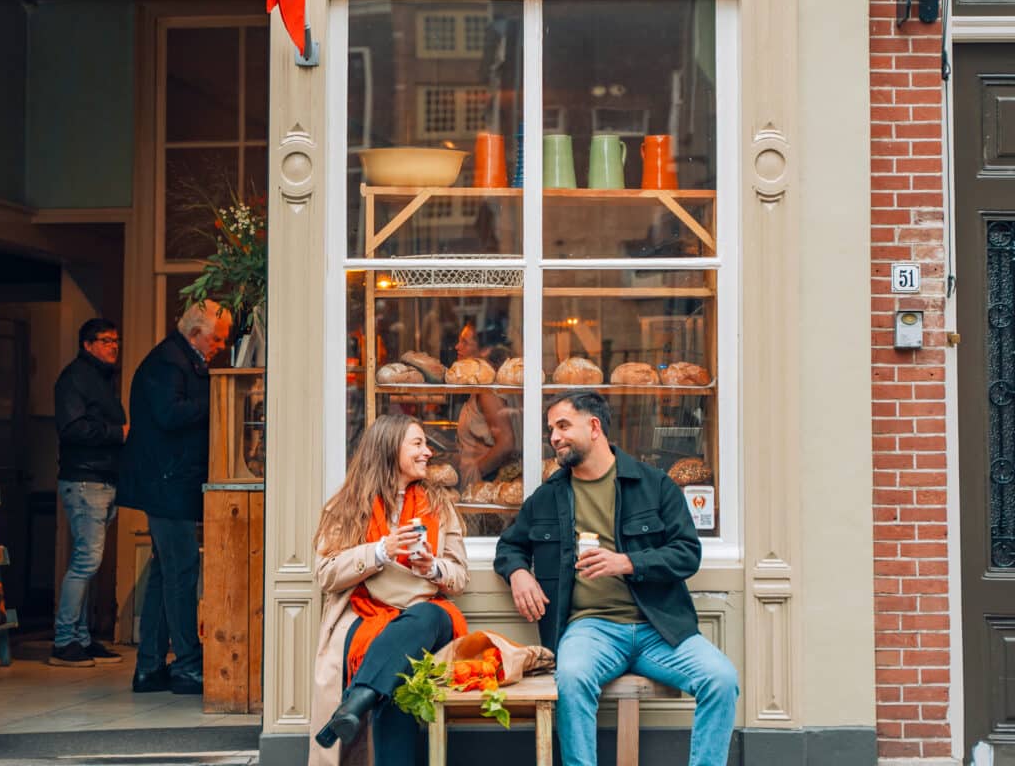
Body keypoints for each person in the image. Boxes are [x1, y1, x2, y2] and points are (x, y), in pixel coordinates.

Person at [494, 390, 739, 766]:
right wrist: (519, 573)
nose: (554, 437)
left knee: (721, 679)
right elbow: (509, 546)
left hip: (658, 627)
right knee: (572, 680)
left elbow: (687, 553)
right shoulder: (548, 497)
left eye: (563, 426)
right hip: (590, 630)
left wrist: (627, 562)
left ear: (594, 427)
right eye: (551, 430)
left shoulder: (654, 485)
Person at [310, 413, 468, 766]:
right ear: (388, 449)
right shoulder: (347, 506)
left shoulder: (439, 506)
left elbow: (459, 575)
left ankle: (357, 699)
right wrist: (381, 550)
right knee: (399, 679)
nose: (427, 452)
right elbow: (326, 574)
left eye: (426, 444)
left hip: (427, 617)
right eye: (418, 444)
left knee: (425, 615)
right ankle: (371, 694)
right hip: (366, 616)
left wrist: (434, 567)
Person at [117, 300, 232, 695]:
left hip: (169, 481)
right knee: (181, 572)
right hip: (168, 483)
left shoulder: (177, 358)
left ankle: (149, 667)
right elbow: (170, 414)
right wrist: (219, 398)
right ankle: (187, 665)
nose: (219, 346)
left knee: (166, 573)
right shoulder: (170, 361)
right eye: (216, 338)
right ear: (195, 331)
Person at [49, 318, 127, 668]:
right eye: (106, 340)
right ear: (87, 344)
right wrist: (117, 432)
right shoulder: (74, 378)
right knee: (86, 561)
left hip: (101, 478)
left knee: (88, 561)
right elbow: (73, 428)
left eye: (116, 341)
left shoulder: (99, 379)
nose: (114, 346)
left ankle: (80, 637)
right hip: (85, 479)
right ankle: (65, 640)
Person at [454, 323, 519, 486]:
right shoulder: (488, 384)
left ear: (484, 350)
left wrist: (475, 472)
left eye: (465, 342)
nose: (457, 346)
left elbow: (506, 443)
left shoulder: (487, 392)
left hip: (486, 482)